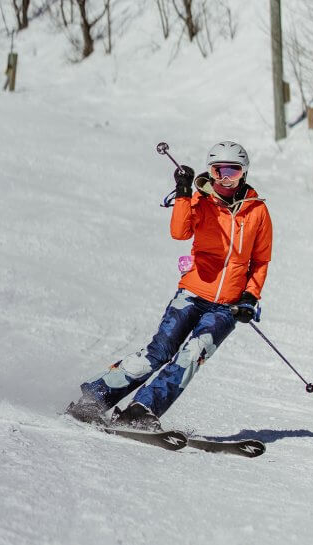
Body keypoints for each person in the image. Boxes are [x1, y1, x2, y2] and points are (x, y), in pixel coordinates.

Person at [66, 141, 273, 431]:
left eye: (233, 172)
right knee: (159, 351)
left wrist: (250, 297)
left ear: (244, 174)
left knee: (191, 357)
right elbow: (179, 232)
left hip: (228, 305)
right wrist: (184, 194)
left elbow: (261, 260)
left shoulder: (257, 212)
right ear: (210, 173)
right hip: (191, 293)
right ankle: (96, 397)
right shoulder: (201, 201)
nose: (225, 180)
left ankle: (142, 410)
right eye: (219, 171)